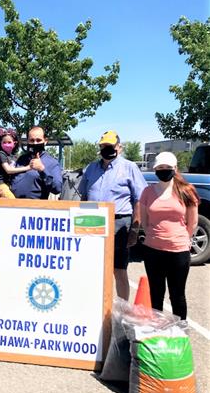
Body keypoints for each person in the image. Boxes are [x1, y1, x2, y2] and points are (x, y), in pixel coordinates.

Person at [78, 130, 147, 300]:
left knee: (119, 269)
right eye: (103, 146)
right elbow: (84, 196)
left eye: (110, 146)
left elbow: (139, 199)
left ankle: (122, 309)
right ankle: (95, 305)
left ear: (119, 147)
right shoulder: (91, 168)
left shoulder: (129, 167)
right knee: (93, 267)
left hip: (119, 222)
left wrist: (135, 229)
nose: (106, 149)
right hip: (92, 220)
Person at [140, 152, 199, 320]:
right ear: (155, 170)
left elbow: (193, 222)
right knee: (156, 294)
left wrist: (181, 239)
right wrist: (154, 236)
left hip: (178, 252)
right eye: (160, 167)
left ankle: (179, 330)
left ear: (175, 168)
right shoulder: (148, 192)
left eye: (167, 167)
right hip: (153, 250)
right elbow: (144, 221)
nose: (164, 170)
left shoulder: (187, 191)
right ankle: (156, 328)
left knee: (177, 294)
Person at [10, 126, 63, 199]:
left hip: (35, 205)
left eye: (38, 140)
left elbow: (57, 188)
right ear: (28, 141)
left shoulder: (52, 163)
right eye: (32, 140)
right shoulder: (21, 159)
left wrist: (42, 170)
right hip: (13, 204)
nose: (35, 143)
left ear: (45, 141)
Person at [0, 128, 31, 199]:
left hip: (10, 184)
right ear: (0, 143)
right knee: (12, 200)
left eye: (9, 142)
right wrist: (27, 168)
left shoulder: (14, 156)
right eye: (4, 142)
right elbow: (8, 170)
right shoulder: (1, 154)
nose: (6, 144)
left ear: (15, 143)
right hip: (0, 184)